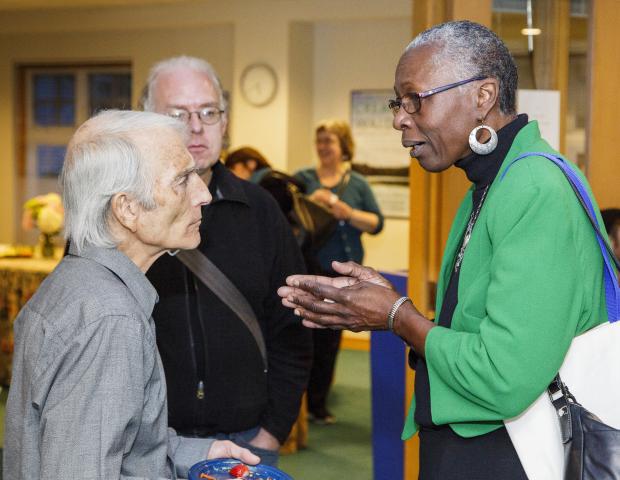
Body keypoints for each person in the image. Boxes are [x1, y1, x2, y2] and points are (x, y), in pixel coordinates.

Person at [278, 21, 610, 479]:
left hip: (510, 455)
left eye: (415, 99)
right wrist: (395, 313)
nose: (399, 117)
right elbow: (476, 331)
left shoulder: (533, 188)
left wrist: (398, 316)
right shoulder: (491, 183)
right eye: (399, 102)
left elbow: (504, 376)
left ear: (483, 96)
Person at [3, 110, 259, 479]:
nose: (203, 194)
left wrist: (201, 451)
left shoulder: (78, 285)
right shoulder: (110, 320)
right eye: (182, 179)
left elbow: (117, 443)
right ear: (128, 209)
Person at [142, 56, 312, 466]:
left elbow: (293, 325)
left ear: (225, 122)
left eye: (208, 112)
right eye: (178, 114)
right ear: (147, 120)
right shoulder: (123, 212)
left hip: (245, 441)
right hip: (145, 443)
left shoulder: (260, 209)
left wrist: (272, 431)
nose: (196, 126)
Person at [294, 119, 384, 424]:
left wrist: (347, 212)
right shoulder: (303, 179)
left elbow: (376, 223)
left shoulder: (357, 183)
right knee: (303, 337)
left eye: (329, 141)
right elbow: (286, 213)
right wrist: (309, 201)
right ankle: (297, 404)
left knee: (330, 339)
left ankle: (318, 404)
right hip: (307, 268)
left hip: (342, 274)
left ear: (343, 146)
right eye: (319, 141)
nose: (322, 148)